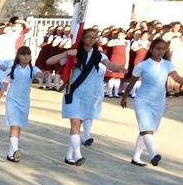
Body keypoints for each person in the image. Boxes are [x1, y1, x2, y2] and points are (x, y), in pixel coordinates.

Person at [47, 28, 126, 166]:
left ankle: (69, 155)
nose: (92, 39)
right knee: (75, 124)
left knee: (78, 126)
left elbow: (109, 65)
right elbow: (49, 61)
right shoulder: (74, 54)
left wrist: (120, 68)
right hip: (73, 93)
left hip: (88, 95)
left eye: (94, 37)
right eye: (89, 37)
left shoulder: (99, 55)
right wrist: (66, 53)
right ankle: (77, 155)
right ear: (82, 38)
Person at [120, 38, 183, 167]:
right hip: (143, 100)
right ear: (152, 49)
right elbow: (132, 82)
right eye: (158, 48)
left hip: (158, 101)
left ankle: (136, 157)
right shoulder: (142, 65)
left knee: (148, 130)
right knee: (146, 128)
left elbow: (175, 77)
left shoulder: (168, 64)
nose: (160, 51)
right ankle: (153, 154)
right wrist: (124, 96)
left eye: (163, 49)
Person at [0, 46, 36, 162]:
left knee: (19, 125)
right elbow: (4, 87)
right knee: (14, 124)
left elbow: (40, 75)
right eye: (23, 54)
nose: (26, 57)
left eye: (28, 54)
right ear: (18, 56)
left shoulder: (33, 69)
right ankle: (15, 149)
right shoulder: (12, 69)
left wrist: (45, 75)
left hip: (24, 101)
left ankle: (11, 153)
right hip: (12, 100)